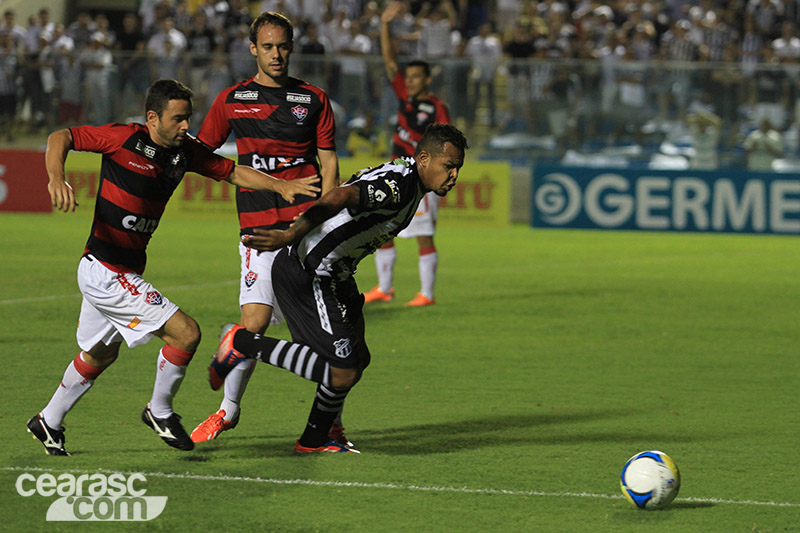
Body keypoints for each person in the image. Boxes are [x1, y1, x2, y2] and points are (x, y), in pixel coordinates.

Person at [27, 78, 320, 456]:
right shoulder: (122, 139)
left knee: (100, 354)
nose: (187, 127)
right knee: (186, 334)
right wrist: (56, 177)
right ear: (153, 118)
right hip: (106, 271)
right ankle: (160, 411)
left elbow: (231, 171)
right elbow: (60, 136)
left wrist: (280, 187)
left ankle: (48, 420)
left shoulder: (186, 152)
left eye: (188, 119)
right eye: (178, 119)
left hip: (119, 269)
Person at [208, 123, 468, 453]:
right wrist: (292, 233)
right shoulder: (400, 186)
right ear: (425, 159)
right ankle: (241, 342)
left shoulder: (407, 175)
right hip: (310, 273)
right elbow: (342, 194)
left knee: (357, 358)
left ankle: (322, 435)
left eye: (458, 167)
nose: (455, 175)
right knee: (340, 370)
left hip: (337, 275)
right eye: (449, 166)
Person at [190, 12, 340, 444]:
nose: (276, 55)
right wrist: (240, 174)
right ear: (253, 49)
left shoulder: (312, 100)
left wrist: (323, 217)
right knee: (251, 324)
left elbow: (328, 162)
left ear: (292, 48)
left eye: (283, 46)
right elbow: (203, 154)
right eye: (268, 47)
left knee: (327, 337)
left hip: (306, 231)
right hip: (258, 230)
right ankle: (228, 411)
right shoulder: (232, 101)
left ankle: (331, 423)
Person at [363, 1, 451, 308]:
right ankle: (384, 288)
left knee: (423, 236)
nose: (409, 80)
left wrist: (442, 180)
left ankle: (427, 293)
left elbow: (447, 148)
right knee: (384, 227)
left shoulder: (437, 109)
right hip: (396, 172)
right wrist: (385, 26)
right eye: (408, 76)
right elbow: (389, 61)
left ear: (427, 80)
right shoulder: (404, 96)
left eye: (415, 77)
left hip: (424, 179)